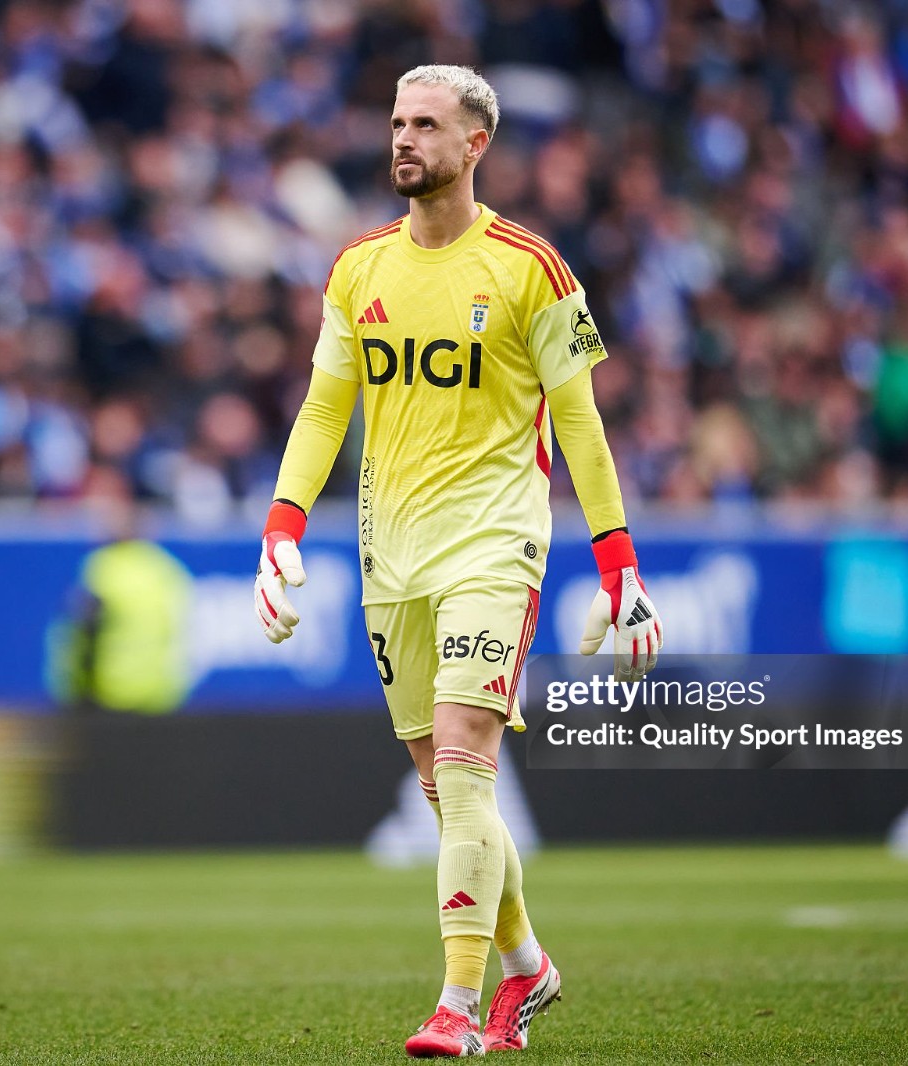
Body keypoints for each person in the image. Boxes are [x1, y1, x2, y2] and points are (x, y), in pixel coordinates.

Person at [253, 65, 663, 1057]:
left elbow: (581, 426)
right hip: (389, 555)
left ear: (474, 145)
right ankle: (528, 966)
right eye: (396, 121)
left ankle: (459, 1003)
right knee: (444, 787)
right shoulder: (356, 269)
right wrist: (280, 525)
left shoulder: (535, 268)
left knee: (468, 774)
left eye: (425, 125)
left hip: (494, 545)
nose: (403, 139)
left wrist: (620, 564)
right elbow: (322, 409)